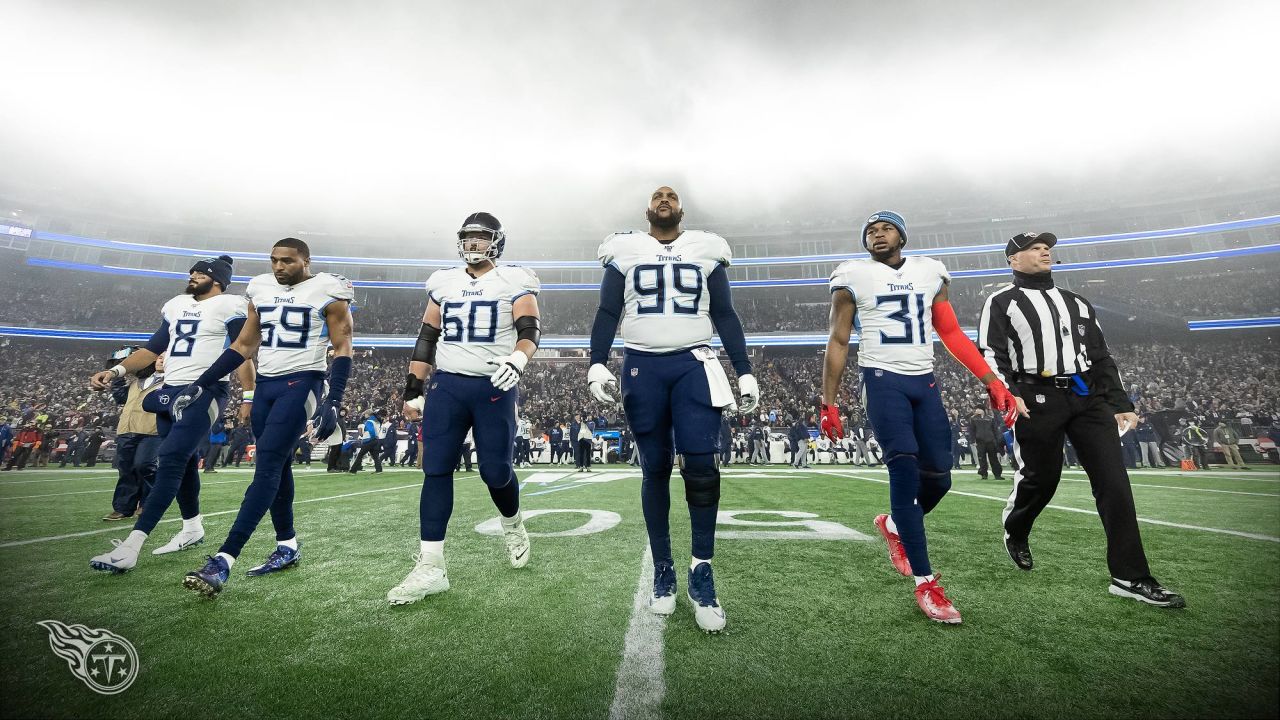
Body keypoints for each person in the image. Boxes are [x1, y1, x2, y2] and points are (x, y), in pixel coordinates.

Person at [821, 210, 1018, 624]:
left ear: (902, 236)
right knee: (905, 470)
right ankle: (927, 584)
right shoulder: (852, 275)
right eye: (870, 231)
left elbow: (950, 333)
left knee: (941, 477)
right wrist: (829, 402)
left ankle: (894, 525)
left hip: (924, 381)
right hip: (881, 379)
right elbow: (839, 338)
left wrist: (991, 379)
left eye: (885, 228)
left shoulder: (930, 272)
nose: (877, 234)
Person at [978, 231, 1184, 608]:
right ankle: (1016, 526)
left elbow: (1101, 355)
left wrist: (1120, 402)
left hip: (1086, 395)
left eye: (1046, 247)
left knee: (1114, 481)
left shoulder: (1077, 302)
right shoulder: (1002, 301)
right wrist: (1009, 394)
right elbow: (991, 352)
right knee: (1043, 477)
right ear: (1012, 260)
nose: (1044, 251)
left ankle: (1130, 576)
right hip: (1034, 396)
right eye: (1033, 248)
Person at [587, 186, 759, 633]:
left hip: (694, 363)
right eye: (657, 195)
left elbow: (725, 313)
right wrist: (597, 363)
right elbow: (607, 312)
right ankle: (663, 569)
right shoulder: (623, 248)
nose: (664, 198)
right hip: (642, 364)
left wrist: (744, 371)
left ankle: (702, 571)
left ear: (681, 209)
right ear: (648, 208)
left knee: (702, 465)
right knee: (655, 469)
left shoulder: (707, 247)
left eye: (671, 195)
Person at [178, 238, 355, 598]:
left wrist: (333, 399)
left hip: (303, 382)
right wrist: (202, 382)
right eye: (274, 260)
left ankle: (224, 559)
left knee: (268, 464)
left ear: (306, 261)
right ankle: (287, 545)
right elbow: (243, 345)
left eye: (287, 261)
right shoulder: (259, 287)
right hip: (267, 387)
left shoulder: (328, 289)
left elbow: (342, 347)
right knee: (279, 466)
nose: (278, 267)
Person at [388, 212, 538, 606]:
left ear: (496, 241)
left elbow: (529, 330)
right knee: (435, 468)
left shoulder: (516, 280)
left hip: (493, 386)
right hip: (449, 386)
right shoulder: (443, 282)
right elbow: (426, 338)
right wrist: (413, 389)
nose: (473, 244)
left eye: (481, 237)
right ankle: (431, 565)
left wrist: (519, 360)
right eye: (468, 237)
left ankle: (513, 523)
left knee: (496, 471)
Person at [87, 255, 255, 572]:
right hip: (169, 391)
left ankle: (130, 547)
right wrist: (118, 371)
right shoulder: (176, 305)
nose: (191, 275)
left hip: (205, 391)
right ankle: (192, 528)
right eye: (191, 271)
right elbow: (151, 350)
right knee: (186, 463)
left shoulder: (231, 305)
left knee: (171, 460)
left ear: (216, 279)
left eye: (199, 272)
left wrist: (249, 394)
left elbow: (242, 351)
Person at [104, 350, 164, 520]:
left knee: (145, 466)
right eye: (159, 357)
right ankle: (123, 507)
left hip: (152, 430)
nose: (161, 360)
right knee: (125, 469)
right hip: (126, 429)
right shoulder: (136, 382)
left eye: (165, 359)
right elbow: (119, 397)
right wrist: (116, 373)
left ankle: (147, 504)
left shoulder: (171, 383)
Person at [971, 409, 1004, 480]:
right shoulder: (973, 419)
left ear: (983, 410)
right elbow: (972, 430)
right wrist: (973, 440)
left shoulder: (990, 418)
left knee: (993, 458)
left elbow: (995, 430)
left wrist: (997, 440)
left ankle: (997, 474)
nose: (977, 410)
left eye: (979, 409)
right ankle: (983, 474)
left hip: (991, 441)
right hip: (980, 441)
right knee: (982, 458)